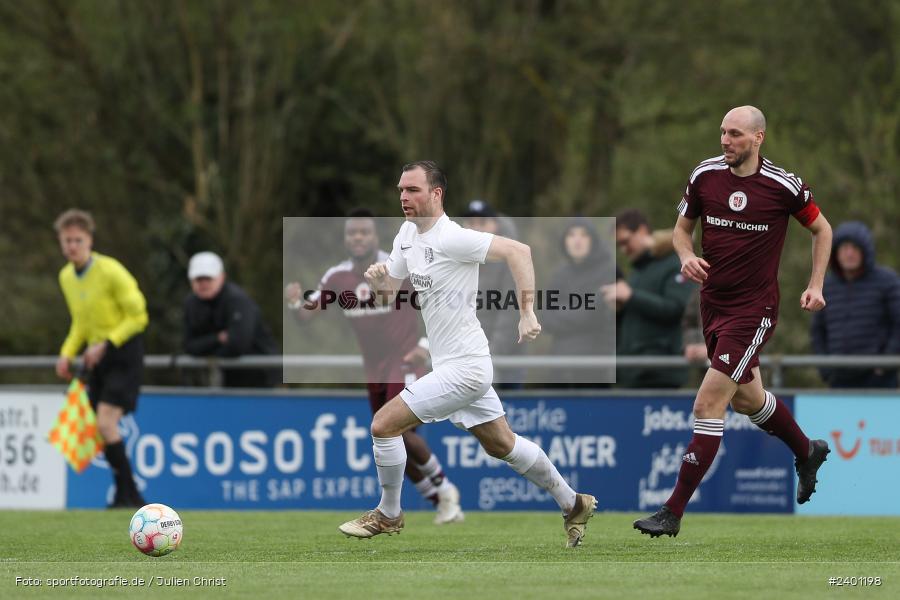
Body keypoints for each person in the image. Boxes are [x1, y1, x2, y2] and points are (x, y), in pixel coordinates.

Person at [338, 161, 596, 548]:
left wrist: (527, 312)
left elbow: (519, 252)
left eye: (413, 190)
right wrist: (378, 282)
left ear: (437, 193)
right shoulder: (407, 234)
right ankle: (572, 502)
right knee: (501, 444)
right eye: (401, 190)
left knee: (383, 425)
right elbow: (389, 292)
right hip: (453, 365)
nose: (404, 198)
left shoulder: (453, 238)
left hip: (467, 368)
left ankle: (389, 514)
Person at [634, 106, 834, 537]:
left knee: (709, 403)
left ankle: (672, 512)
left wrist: (816, 284)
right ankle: (806, 450)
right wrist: (686, 256)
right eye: (723, 132)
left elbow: (823, 230)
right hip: (713, 306)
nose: (725, 141)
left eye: (736, 134)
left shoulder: (784, 186)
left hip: (753, 311)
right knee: (747, 401)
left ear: (759, 137)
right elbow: (680, 230)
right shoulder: (705, 175)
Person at [285, 208, 464, 524]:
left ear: (374, 236)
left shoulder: (397, 265)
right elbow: (307, 313)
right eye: (352, 233)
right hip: (376, 370)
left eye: (364, 232)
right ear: (345, 238)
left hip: (406, 359)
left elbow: (436, 301)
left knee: (397, 430)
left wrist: (425, 346)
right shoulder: (337, 277)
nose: (357, 238)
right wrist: (295, 303)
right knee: (388, 437)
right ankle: (440, 500)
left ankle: (446, 490)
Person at [54, 209, 148, 508]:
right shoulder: (66, 276)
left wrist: (107, 342)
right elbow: (80, 323)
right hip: (98, 359)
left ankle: (130, 493)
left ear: (90, 240)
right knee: (99, 426)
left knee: (107, 422)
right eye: (67, 240)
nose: (72, 246)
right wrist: (66, 354)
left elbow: (139, 316)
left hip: (124, 352)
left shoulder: (111, 271)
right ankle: (125, 494)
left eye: (77, 240)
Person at [603, 210, 696, 388]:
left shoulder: (676, 263)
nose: (623, 249)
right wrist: (620, 308)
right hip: (632, 371)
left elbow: (676, 309)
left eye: (625, 241)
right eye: (618, 245)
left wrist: (631, 296)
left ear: (643, 231)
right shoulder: (638, 271)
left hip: (661, 371)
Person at [811, 221, 900, 387]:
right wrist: (825, 368)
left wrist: (885, 364)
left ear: (865, 251)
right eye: (844, 248)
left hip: (880, 382)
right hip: (839, 380)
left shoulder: (887, 281)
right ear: (835, 252)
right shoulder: (825, 285)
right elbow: (817, 331)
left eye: (855, 248)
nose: (849, 253)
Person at [183, 252, 280, 387]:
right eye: (199, 279)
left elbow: (238, 344)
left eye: (208, 279)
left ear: (222, 277)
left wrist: (207, 349)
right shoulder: (191, 303)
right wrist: (217, 338)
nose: (203, 284)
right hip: (229, 379)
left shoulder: (237, 300)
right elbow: (189, 345)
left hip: (263, 376)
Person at [543, 217, 617, 387]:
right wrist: (582, 311)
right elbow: (546, 318)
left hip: (594, 369)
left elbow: (593, 314)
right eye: (571, 235)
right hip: (559, 368)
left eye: (584, 235)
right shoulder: (559, 275)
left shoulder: (608, 271)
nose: (577, 240)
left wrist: (563, 313)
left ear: (593, 240)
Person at [461, 199, 524, 388]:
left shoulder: (511, 260)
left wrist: (489, 356)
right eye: (472, 223)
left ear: (495, 225)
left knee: (504, 414)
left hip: (503, 361)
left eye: (482, 223)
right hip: (465, 359)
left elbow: (511, 312)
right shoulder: (457, 258)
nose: (477, 228)